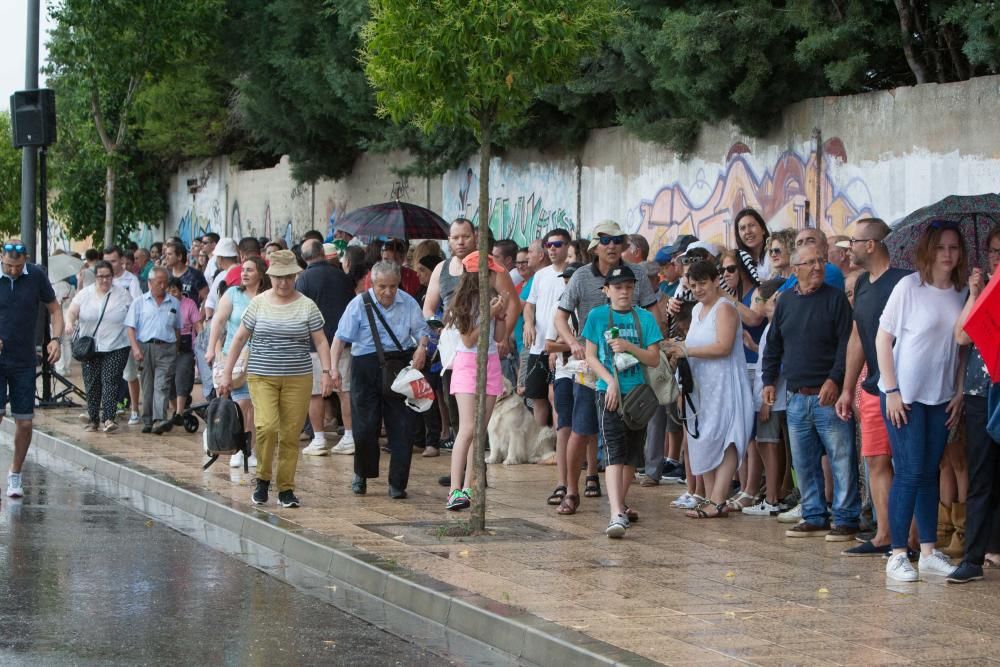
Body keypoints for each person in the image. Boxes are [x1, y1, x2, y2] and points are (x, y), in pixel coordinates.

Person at [877, 221, 967, 582]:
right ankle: (898, 553)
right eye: (942, 247)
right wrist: (892, 390)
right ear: (928, 250)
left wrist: (959, 390)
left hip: (941, 396)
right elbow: (883, 339)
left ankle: (928, 550)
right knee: (910, 471)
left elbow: (961, 349)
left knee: (930, 472)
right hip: (907, 396)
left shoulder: (961, 293)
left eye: (955, 248)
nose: (948, 254)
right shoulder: (909, 287)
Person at [553, 220, 662, 515]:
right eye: (604, 240)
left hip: (631, 367)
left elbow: (653, 310)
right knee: (581, 428)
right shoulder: (581, 277)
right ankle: (571, 490)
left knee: (628, 436)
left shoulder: (636, 273)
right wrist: (572, 343)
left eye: (617, 239)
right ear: (594, 246)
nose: (611, 245)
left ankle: (620, 502)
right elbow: (560, 317)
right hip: (593, 363)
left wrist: (653, 340)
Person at [219, 250, 334, 508]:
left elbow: (320, 340)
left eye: (289, 277)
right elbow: (239, 338)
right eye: (278, 277)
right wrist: (227, 372)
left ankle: (286, 488)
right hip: (262, 376)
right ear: (270, 276)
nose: (283, 283)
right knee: (267, 427)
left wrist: (327, 372)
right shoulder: (258, 303)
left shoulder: (306, 305)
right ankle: (262, 479)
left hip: (298, 377)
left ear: (295, 276)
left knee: (290, 433)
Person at [762, 244, 860, 539]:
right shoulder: (786, 303)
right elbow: (774, 344)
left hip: (827, 395)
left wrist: (835, 379)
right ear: (796, 270)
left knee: (841, 459)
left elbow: (846, 344)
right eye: (810, 263)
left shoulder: (836, 300)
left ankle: (846, 518)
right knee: (803, 462)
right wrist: (768, 380)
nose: (818, 267)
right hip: (795, 396)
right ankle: (814, 514)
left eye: (820, 261)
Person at [834, 218, 911, 557]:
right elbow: (857, 337)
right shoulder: (862, 283)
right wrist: (848, 388)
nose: (848, 247)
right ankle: (883, 534)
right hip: (872, 387)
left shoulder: (903, 282)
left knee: (907, 466)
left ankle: (911, 540)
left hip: (904, 388)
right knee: (877, 461)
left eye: (854, 240)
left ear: (871, 245)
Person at [331, 261, 429, 499]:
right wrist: (333, 369)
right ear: (372, 284)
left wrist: (422, 348)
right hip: (366, 367)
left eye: (393, 287)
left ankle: (397, 483)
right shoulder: (358, 304)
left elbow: (422, 332)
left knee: (403, 427)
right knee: (365, 427)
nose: (388, 292)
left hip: (400, 366)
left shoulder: (408, 303)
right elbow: (340, 338)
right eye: (382, 286)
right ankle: (361, 474)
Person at [664, 260, 754, 518]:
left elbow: (723, 347)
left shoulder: (725, 308)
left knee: (726, 439)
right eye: (693, 285)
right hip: (702, 387)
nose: (699, 289)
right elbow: (693, 345)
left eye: (703, 283)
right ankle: (715, 500)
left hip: (725, 383)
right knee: (704, 440)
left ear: (716, 281)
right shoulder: (696, 312)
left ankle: (716, 501)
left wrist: (685, 349)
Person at [583, 265, 663, 537]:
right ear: (607, 290)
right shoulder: (597, 316)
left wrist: (629, 347)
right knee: (613, 450)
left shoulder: (644, 318)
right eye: (618, 287)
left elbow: (654, 358)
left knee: (632, 454)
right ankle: (616, 511)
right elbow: (590, 355)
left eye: (629, 287)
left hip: (639, 394)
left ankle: (621, 503)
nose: (624, 292)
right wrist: (610, 381)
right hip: (609, 392)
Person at [949, 226, 1000, 583]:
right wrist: (978, 294)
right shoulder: (982, 291)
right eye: (994, 250)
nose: (998, 255)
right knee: (981, 475)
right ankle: (973, 557)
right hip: (982, 393)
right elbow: (962, 335)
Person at [441, 252, 507, 510]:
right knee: (468, 428)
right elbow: (468, 340)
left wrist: (501, 315)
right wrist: (491, 313)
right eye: (491, 272)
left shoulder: (491, 299)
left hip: (491, 362)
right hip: (468, 364)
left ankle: (470, 487)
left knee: (479, 431)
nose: (494, 277)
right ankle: (454, 489)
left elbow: (499, 337)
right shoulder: (465, 302)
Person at [0, 240, 63, 499]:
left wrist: (56, 339)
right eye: (7, 266)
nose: (12, 271)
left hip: (24, 358)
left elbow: (55, 309)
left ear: (25, 260)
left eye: (17, 266)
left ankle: (15, 473)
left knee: (24, 422)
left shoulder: (36, 275)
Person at [207, 256, 270, 468]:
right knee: (242, 403)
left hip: (261, 358)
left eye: (250, 270)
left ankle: (250, 448)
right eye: (243, 269)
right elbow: (218, 320)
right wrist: (211, 348)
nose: (244, 273)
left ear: (260, 274)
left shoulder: (267, 297)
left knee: (257, 406)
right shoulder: (233, 294)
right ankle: (240, 447)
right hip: (236, 358)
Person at [297, 240, 356, 456]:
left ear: (304, 258)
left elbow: (300, 312)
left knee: (315, 393)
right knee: (345, 391)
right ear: (323, 253)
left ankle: (319, 438)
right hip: (343, 341)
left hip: (313, 344)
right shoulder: (342, 277)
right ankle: (350, 436)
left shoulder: (303, 279)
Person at [741, 277, 791, 516]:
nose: (753, 304)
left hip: (772, 399)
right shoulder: (772, 327)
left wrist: (765, 402)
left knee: (767, 444)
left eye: (756, 299)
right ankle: (776, 494)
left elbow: (776, 365)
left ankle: (772, 498)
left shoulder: (777, 327)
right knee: (770, 445)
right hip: (770, 397)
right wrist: (753, 347)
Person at [66, 260, 133, 433]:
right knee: (92, 382)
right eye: (100, 277)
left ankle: (109, 418)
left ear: (112, 276)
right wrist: (69, 323)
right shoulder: (85, 294)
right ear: (95, 277)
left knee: (110, 380)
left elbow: (133, 315)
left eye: (108, 276)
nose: (104, 280)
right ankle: (93, 418)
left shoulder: (122, 294)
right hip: (91, 346)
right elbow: (72, 311)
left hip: (117, 344)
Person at [523, 229, 572, 443]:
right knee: (537, 396)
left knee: (556, 398)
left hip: (561, 346)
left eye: (557, 244)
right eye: (548, 245)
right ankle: (541, 445)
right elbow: (529, 305)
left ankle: (560, 443)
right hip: (538, 344)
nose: (552, 248)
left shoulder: (573, 275)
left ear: (568, 246)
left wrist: (560, 342)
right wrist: (528, 323)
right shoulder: (540, 275)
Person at [543, 262, 584, 506]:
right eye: (566, 279)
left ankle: (588, 477)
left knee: (585, 430)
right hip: (564, 371)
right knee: (564, 427)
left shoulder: (590, 304)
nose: (568, 283)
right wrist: (573, 344)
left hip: (586, 371)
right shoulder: (560, 308)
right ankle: (563, 483)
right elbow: (550, 344)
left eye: (572, 279)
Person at [124, 268, 181, 435]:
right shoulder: (139, 302)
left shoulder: (174, 303)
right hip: (145, 347)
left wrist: (175, 348)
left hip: (166, 347)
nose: (163, 286)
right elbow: (130, 328)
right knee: (147, 385)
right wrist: (135, 349)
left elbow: (177, 328)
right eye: (159, 282)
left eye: (165, 282)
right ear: (150, 283)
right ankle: (147, 419)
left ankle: (159, 418)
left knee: (162, 384)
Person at [104, 246, 144, 426]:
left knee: (129, 374)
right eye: (107, 261)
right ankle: (108, 411)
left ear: (121, 260)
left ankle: (134, 408)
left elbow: (137, 305)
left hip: (125, 334)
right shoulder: (103, 280)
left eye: (113, 261)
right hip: (106, 335)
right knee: (108, 375)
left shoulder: (131, 280)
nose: (110, 265)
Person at [167, 277, 202, 424]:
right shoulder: (164, 304)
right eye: (168, 291)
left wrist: (202, 341)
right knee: (168, 380)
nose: (171, 294)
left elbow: (198, 324)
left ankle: (180, 412)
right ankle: (176, 409)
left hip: (186, 347)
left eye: (174, 290)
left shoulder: (189, 304)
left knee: (181, 376)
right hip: (168, 347)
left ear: (180, 291)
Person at [780, 228, 845, 292]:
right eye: (799, 243)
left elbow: (794, 299)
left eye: (811, 241)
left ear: (825, 247)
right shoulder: (797, 271)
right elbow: (775, 298)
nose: (804, 245)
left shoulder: (827, 270)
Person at [163, 241, 208, 306]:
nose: (166, 258)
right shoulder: (165, 275)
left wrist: (201, 315)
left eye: (169, 254)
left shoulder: (195, 275)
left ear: (179, 256)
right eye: (166, 254)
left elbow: (206, 297)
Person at [734, 208, 772, 279]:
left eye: (751, 225)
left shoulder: (774, 253)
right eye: (742, 228)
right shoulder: (738, 263)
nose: (747, 231)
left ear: (763, 229)